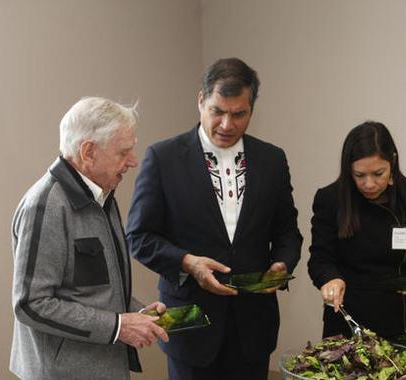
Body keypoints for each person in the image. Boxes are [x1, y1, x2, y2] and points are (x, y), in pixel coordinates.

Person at [126, 58, 302, 380]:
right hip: (190, 325)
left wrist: (281, 265)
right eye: (217, 111)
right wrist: (188, 263)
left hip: (253, 326)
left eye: (239, 114)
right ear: (200, 101)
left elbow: (288, 231)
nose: (227, 124)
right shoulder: (162, 158)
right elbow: (138, 236)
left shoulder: (272, 159)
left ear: (252, 109)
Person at [10, 97, 169, 380]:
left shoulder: (103, 196)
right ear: (88, 152)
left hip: (103, 367)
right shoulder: (45, 206)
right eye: (123, 152)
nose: (133, 161)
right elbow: (30, 304)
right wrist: (119, 326)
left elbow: (92, 289)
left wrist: (137, 313)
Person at [307, 121, 406, 340]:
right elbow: (320, 259)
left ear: (393, 163)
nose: (369, 184)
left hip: (401, 323)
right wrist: (330, 279)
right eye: (359, 175)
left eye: (378, 173)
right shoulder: (331, 199)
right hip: (348, 320)